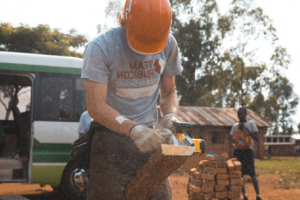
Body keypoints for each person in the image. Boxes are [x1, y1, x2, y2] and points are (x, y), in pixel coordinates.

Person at [81, 0, 182, 199]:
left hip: (151, 140)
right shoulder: (101, 48)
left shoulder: (169, 44)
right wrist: (133, 129)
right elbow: (95, 106)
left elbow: (169, 92)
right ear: (126, 19)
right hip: (108, 140)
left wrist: (170, 115)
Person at [230, 107, 262, 200]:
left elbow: (256, 138)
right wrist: (236, 143)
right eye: (239, 114)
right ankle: (244, 195)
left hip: (248, 151)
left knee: (252, 174)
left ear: (246, 114)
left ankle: (258, 195)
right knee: (240, 174)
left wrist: (245, 128)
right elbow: (233, 140)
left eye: (243, 114)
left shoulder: (251, 124)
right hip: (238, 152)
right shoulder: (235, 126)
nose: (241, 116)